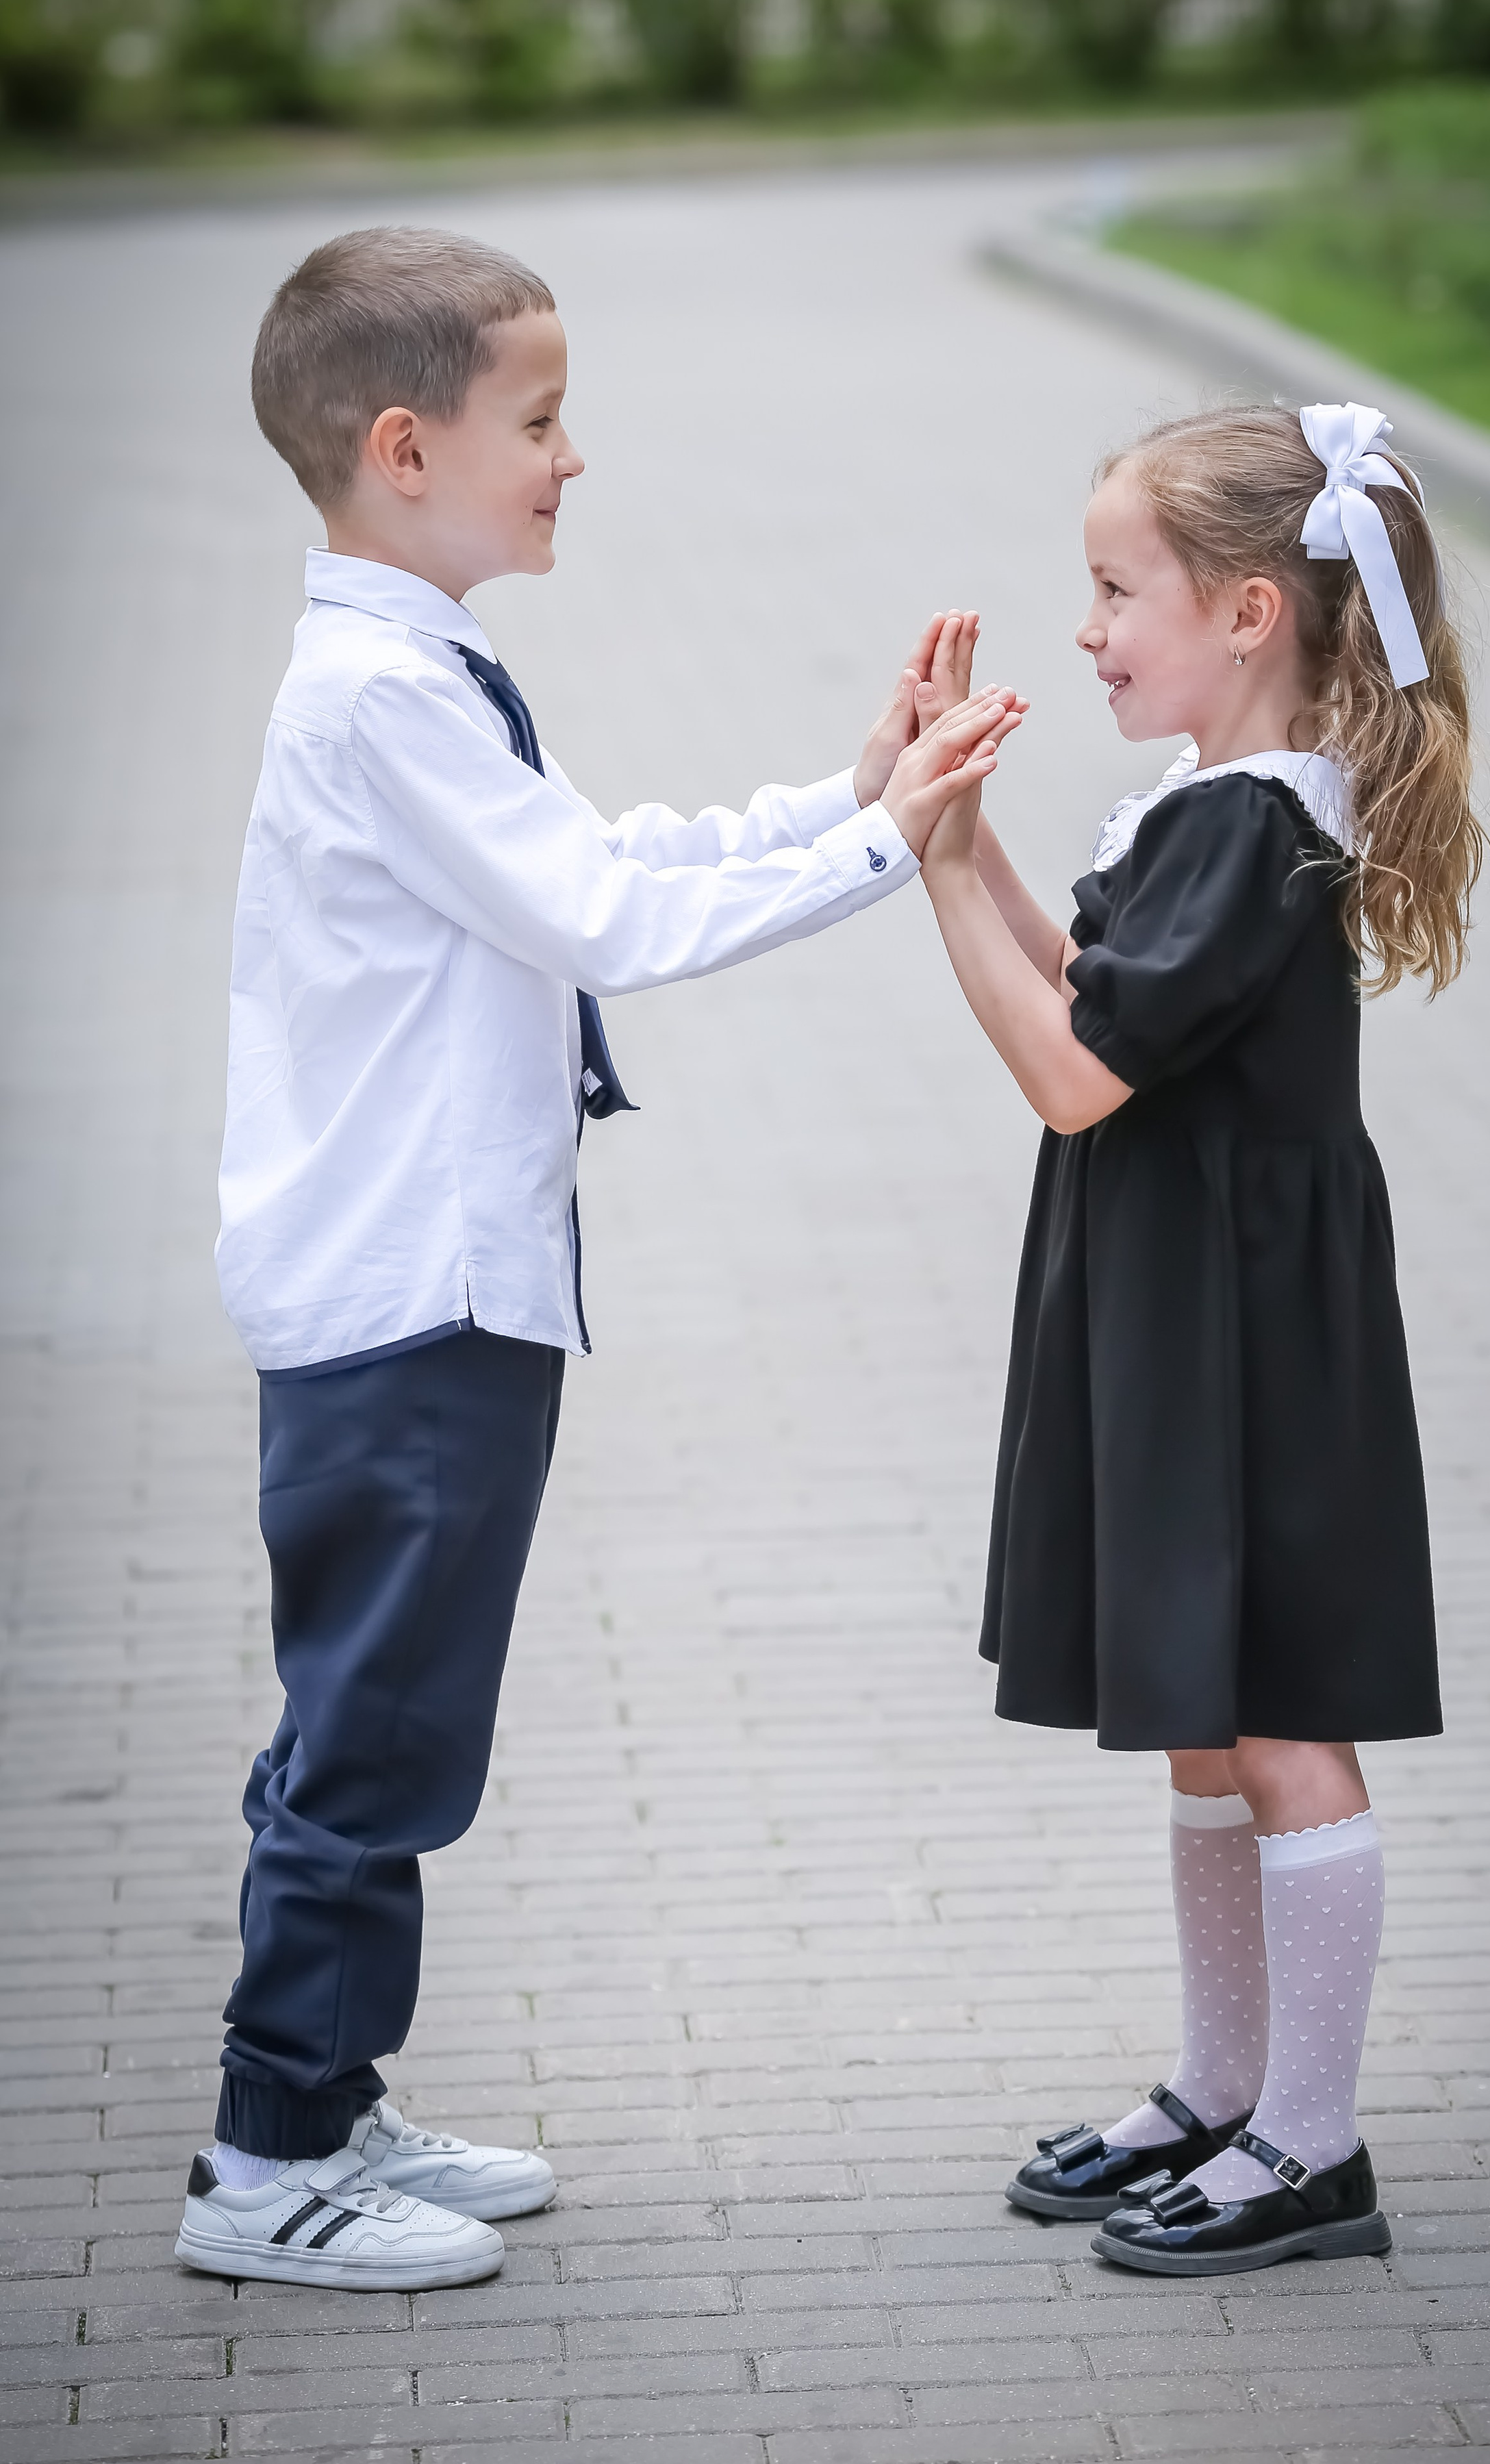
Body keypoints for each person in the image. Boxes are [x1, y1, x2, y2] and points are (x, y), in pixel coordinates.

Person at [176, 225, 1022, 2293]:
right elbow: (611, 926)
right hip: (408, 1300)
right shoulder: (383, 697)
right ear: (405, 451)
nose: (574, 459)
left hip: (442, 1287)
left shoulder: (421, 674)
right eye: (540, 422)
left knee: (385, 1718)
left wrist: (849, 794)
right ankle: (267, 2160)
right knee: (374, 1736)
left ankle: (328, 2099)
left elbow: (602, 860)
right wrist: (888, 845)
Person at [911, 401, 1482, 2277]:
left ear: (1248, 614)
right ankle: (1224, 2089)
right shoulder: (1211, 804)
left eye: (1113, 589)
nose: (1084, 629)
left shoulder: (1256, 823)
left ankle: (1311, 2145)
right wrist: (959, 825)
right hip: (1194, 1298)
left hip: (1245, 1319)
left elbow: (1075, 1074)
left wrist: (935, 878)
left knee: (1282, 1716)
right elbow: (1101, 988)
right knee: (1210, 1719)